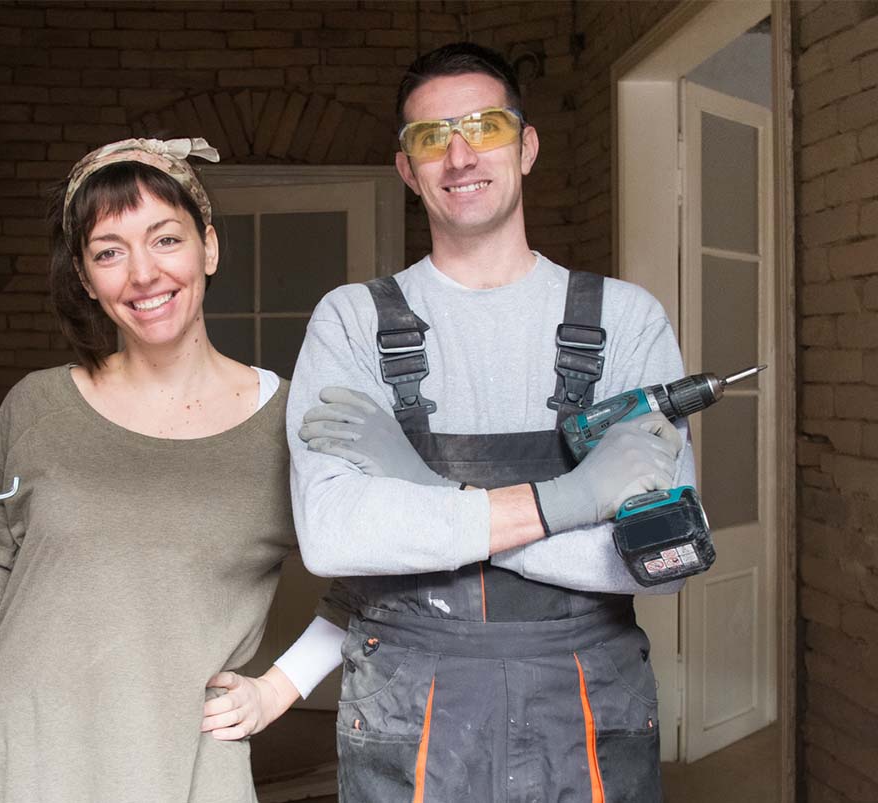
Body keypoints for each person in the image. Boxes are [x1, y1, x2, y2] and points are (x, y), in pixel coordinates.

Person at [0, 138, 342, 803]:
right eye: (109, 251)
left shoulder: (288, 424)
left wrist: (280, 686)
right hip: (23, 775)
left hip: (187, 780)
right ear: (85, 278)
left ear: (210, 249)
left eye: (165, 239)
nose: (142, 273)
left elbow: (384, 580)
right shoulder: (37, 408)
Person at [286, 43, 696, 802]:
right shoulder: (350, 322)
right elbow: (336, 535)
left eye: (485, 126)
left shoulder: (626, 320)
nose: (461, 155)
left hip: (585, 700)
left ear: (527, 146)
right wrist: (573, 500)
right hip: (410, 706)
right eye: (432, 137)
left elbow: (657, 557)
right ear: (407, 170)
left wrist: (423, 493)